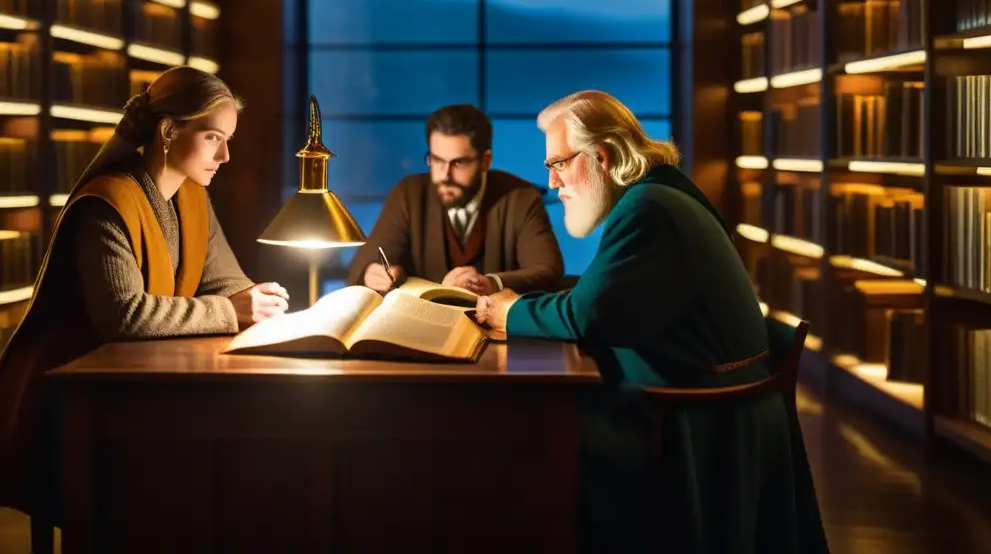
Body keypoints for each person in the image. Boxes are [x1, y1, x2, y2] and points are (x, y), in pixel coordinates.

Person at [475, 91, 829, 554]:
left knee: (533, 441)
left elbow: (591, 313)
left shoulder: (648, 209)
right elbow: (604, 296)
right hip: (707, 401)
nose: (552, 182)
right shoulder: (657, 194)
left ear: (600, 156)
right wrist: (525, 305)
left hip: (698, 421)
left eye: (558, 163)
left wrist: (510, 312)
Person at [0, 66, 290, 526]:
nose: (227, 155)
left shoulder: (191, 197)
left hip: (134, 384)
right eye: (214, 137)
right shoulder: (108, 202)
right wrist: (230, 309)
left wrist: (258, 298)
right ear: (169, 131)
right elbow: (125, 316)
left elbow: (225, 282)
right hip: (75, 398)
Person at [348, 103, 564, 296]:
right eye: (437, 160)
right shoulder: (409, 195)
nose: (444, 175)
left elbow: (548, 271)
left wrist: (492, 283)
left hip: (499, 330)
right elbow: (362, 265)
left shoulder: (520, 198)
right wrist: (372, 273)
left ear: (485, 161)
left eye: (458, 163)